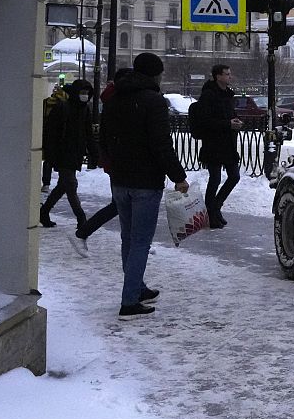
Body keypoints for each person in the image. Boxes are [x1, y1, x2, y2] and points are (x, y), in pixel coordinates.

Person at [99, 52, 189, 321]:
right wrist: (178, 176)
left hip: (120, 179)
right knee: (140, 241)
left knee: (128, 236)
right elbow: (161, 144)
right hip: (145, 181)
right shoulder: (154, 101)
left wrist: (112, 165)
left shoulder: (113, 98)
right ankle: (129, 301)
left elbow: (103, 136)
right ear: (155, 74)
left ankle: (136, 286)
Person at [75, 68, 131, 249]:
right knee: (119, 204)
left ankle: (131, 239)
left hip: (113, 159)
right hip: (118, 160)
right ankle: (83, 232)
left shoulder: (110, 99)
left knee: (121, 204)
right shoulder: (119, 100)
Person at [40, 79, 96, 242]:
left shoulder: (85, 109)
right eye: (82, 93)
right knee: (71, 185)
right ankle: (81, 218)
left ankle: (44, 212)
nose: (84, 96)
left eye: (87, 93)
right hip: (62, 154)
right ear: (75, 93)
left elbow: (88, 133)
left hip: (74, 154)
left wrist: (94, 153)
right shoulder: (62, 107)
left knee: (63, 186)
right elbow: (51, 133)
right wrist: (50, 155)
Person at [197, 64, 243, 229]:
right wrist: (227, 124)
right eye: (226, 74)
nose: (229, 76)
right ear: (217, 76)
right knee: (214, 178)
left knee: (234, 176)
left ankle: (216, 205)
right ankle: (211, 213)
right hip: (213, 143)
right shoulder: (208, 95)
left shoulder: (228, 94)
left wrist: (236, 121)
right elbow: (206, 121)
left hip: (228, 143)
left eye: (230, 74)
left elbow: (231, 114)